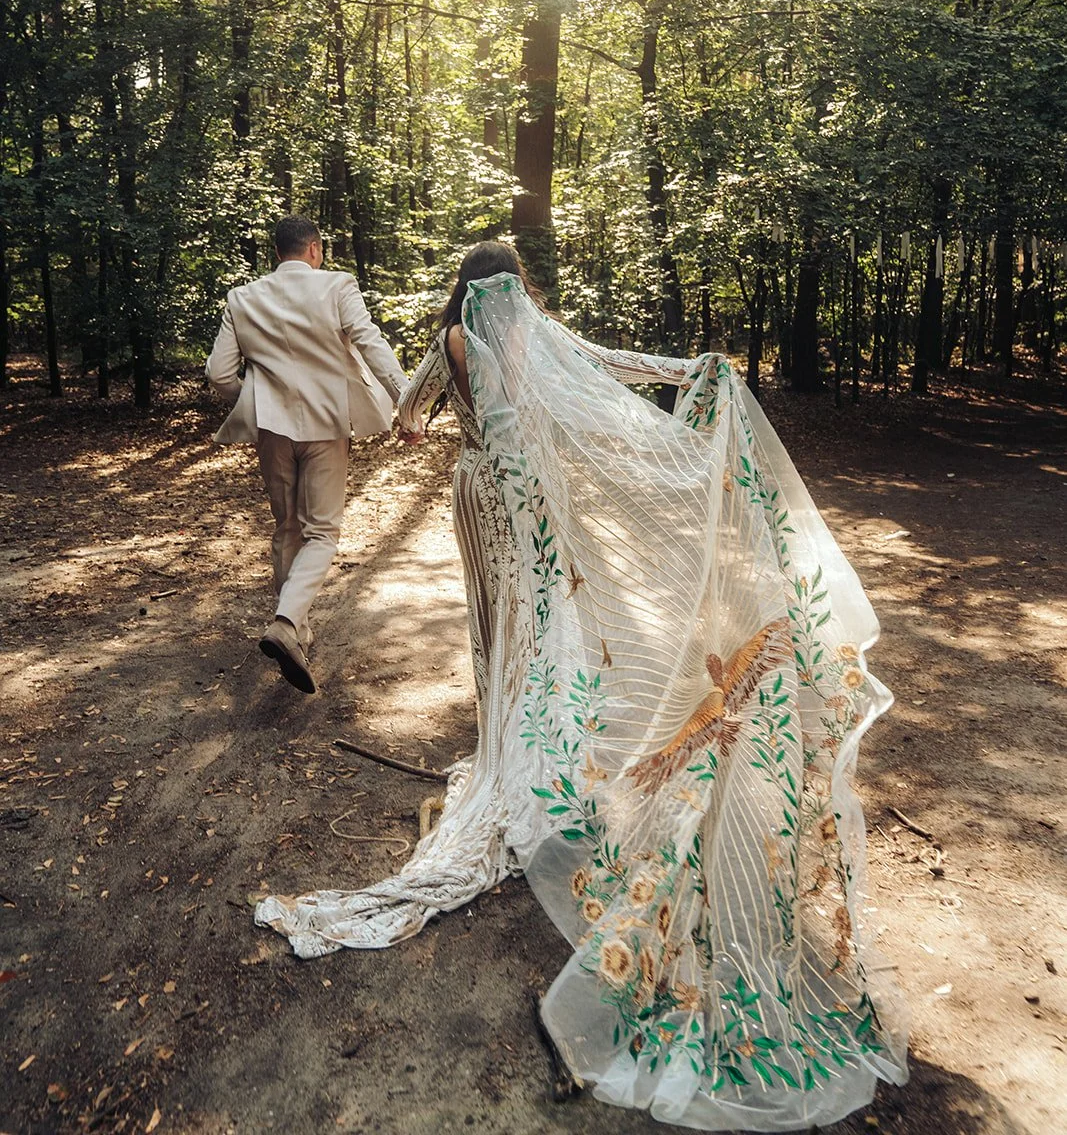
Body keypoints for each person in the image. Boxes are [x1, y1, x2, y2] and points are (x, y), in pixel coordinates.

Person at [257, 244, 908, 1130]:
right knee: (546, 632)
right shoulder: (521, 329)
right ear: (514, 286)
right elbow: (602, 367)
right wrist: (690, 371)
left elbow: (405, 418)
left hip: (474, 492)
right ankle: (532, 763)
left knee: (501, 641)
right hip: (530, 499)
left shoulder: (449, 335)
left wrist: (429, 421)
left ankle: (509, 760)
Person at [205, 216, 406, 694]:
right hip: (327, 424)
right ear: (314, 249)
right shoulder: (338, 286)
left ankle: (297, 630)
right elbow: (370, 343)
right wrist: (404, 398)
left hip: (272, 429)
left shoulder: (243, 298)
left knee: (287, 527)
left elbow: (218, 375)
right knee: (322, 532)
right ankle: (286, 622)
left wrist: (253, 399)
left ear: (278, 252)